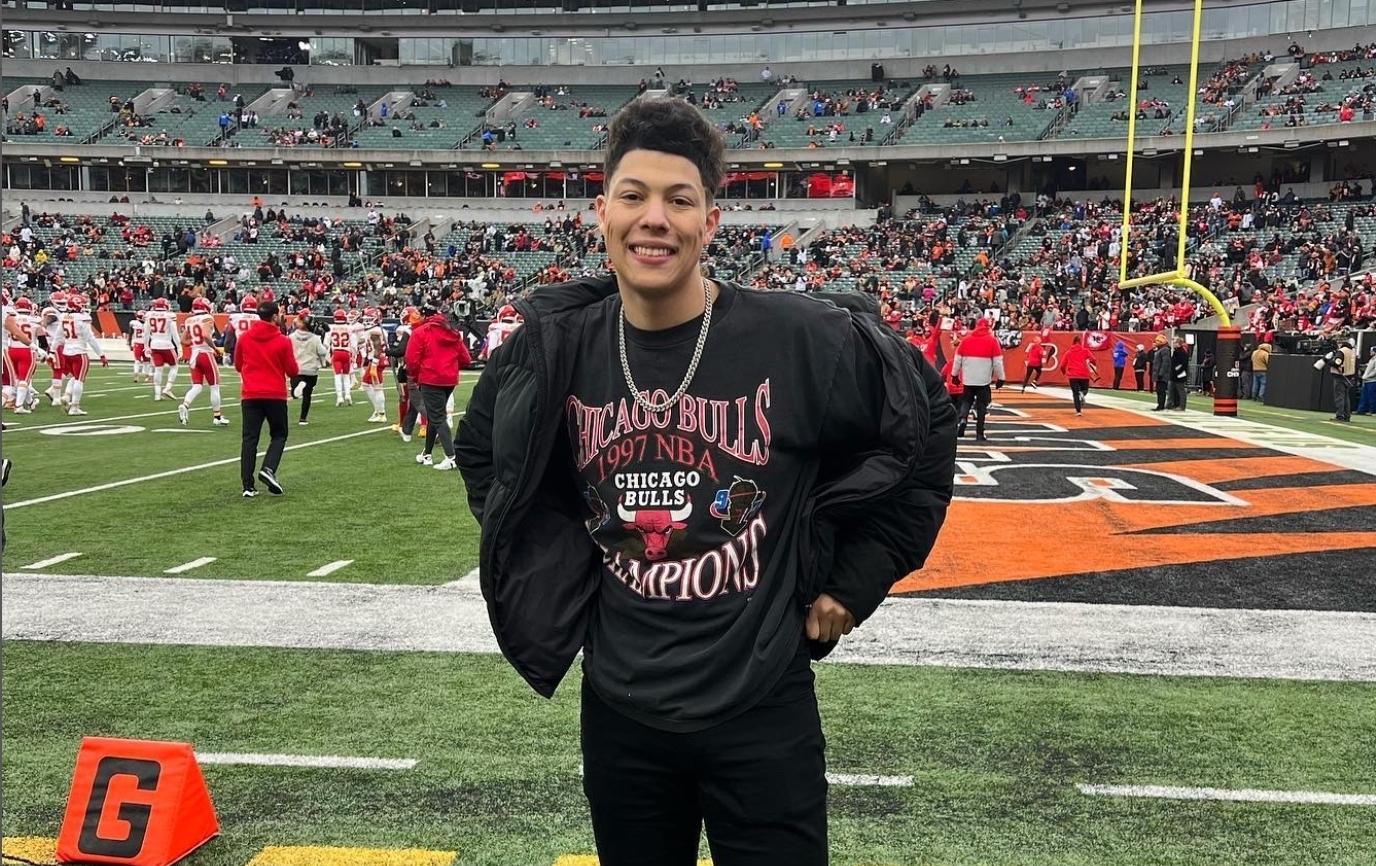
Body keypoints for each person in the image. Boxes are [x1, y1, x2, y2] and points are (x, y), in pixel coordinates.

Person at [454, 97, 956, 866]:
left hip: (762, 706)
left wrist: (858, 579)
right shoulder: (554, 348)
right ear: (602, 214)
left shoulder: (802, 338)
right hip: (621, 710)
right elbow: (487, 455)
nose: (654, 218)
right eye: (634, 196)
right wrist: (561, 569)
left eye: (679, 200)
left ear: (710, 223)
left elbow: (924, 424)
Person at [235, 300, 298, 497]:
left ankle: (247, 485)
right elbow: (292, 370)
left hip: (250, 394)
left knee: (249, 439)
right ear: (274, 317)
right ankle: (268, 468)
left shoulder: (245, 337)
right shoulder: (283, 340)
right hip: (275, 394)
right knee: (279, 434)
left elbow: (238, 364)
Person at [404, 301, 471, 470]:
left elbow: (411, 360)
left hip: (430, 378)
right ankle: (427, 453)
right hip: (449, 379)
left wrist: (416, 374)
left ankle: (452, 456)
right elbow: (466, 358)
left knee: (437, 416)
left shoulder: (421, 332)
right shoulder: (452, 332)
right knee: (436, 415)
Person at [178, 296, 230, 427]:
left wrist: (195, 342)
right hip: (205, 353)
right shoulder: (207, 318)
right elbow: (206, 335)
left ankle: (185, 405)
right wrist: (215, 349)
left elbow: (183, 341)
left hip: (194, 354)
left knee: (197, 386)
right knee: (214, 386)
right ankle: (217, 417)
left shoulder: (189, 320)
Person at [951, 318, 1004, 441]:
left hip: (968, 378)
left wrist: (954, 375)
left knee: (966, 400)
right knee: (981, 405)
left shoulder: (966, 340)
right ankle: (979, 432)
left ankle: (963, 419)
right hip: (983, 379)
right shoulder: (992, 341)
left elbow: (958, 359)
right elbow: (997, 362)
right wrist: (1001, 378)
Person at [289, 310, 329, 426]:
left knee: (294, 393)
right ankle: (303, 418)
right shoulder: (315, 338)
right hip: (311, 369)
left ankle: (299, 385)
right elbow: (322, 351)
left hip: (297, 368)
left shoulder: (291, 337)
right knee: (307, 395)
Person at [1063, 334, 1098, 416]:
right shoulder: (1085, 351)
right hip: (1084, 374)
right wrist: (1091, 363)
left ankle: (1078, 411)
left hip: (1073, 375)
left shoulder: (1068, 352)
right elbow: (1093, 359)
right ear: (1080, 342)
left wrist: (1064, 371)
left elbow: (1063, 364)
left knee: (1075, 393)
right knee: (1085, 389)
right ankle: (1082, 393)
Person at [1329, 337, 1357, 422]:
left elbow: (1337, 362)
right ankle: (1347, 416)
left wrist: (1330, 361)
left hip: (1340, 376)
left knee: (1340, 397)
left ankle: (1340, 416)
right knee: (1346, 397)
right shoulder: (1352, 351)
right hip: (1349, 376)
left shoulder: (1342, 351)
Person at [1151, 334, 1172, 411]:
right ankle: (1160, 404)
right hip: (1158, 373)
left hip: (1162, 375)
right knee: (1158, 390)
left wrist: (1161, 373)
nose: (1156, 342)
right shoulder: (1160, 350)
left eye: (1157, 341)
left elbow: (1165, 363)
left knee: (1161, 390)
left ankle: (1161, 405)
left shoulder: (1165, 350)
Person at [1169, 337, 1191, 411]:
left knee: (1181, 391)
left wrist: (1176, 370)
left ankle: (1182, 406)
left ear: (1178, 344)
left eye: (1175, 343)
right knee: (1174, 391)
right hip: (1175, 374)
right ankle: (1175, 404)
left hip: (1180, 374)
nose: (1174, 344)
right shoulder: (1176, 351)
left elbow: (1183, 364)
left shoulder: (1182, 352)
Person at [1355, 347, 1376, 416]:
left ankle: (1372, 411)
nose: (1370, 352)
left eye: (1371, 351)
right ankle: (1360, 410)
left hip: (1372, 381)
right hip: (1367, 381)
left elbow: (1375, 371)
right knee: (1364, 396)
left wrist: (1367, 376)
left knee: (1371, 396)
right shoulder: (1371, 359)